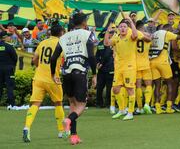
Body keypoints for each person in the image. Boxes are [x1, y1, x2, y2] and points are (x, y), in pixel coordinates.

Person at [50, 12, 97, 145]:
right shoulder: (87, 34)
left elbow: (54, 58)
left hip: (66, 73)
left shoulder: (64, 37)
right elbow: (91, 56)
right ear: (84, 23)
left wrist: (53, 74)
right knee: (81, 105)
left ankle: (74, 136)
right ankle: (68, 120)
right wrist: (94, 74)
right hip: (80, 72)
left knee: (72, 104)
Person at [23, 23, 65, 142]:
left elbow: (34, 59)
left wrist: (39, 67)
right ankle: (61, 131)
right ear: (61, 33)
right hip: (53, 79)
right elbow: (64, 59)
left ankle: (27, 127)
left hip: (38, 78)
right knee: (58, 103)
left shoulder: (42, 43)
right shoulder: (61, 43)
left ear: (50, 33)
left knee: (35, 104)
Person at [105, 16, 142, 121]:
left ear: (128, 28)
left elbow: (135, 35)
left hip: (129, 66)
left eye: (125, 27)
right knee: (116, 89)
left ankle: (130, 113)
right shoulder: (116, 37)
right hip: (119, 67)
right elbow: (107, 43)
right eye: (120, 27)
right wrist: (108, 32)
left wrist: (130, 21)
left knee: (130, 89)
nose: (122, 28)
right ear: (118, 28)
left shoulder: (131, 35)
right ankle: (122, 110)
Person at [149, 24, 178, 114]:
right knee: (170, 83)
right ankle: (169, 107)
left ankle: (157, 108)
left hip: (152, 62)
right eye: (171, 29)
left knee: (157, 85)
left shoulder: (154, 34)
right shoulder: (166, 33)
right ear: (168, 29)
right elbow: (179, 37)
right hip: (163, 62)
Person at [134, 21, 153, 114]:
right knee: (149, 84)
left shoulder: (133, 35)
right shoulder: (148, 36)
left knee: (138, 86)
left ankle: (139, 107)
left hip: (136, 64)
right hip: (146, 63)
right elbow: (150, 39)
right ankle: (147, 104)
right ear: (142, 28)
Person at [95, 31, 115, 108]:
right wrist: (98, 63)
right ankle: (104, 103)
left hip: (106, 68)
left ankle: (103, 103)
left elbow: (101, 55)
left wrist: (99, 63)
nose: (112, 34)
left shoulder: (105, 43)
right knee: (103, 86)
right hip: (106, 68)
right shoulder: (105, 44)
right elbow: (99, 55)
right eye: (110, 33)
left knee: (105, 87)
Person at [0, 31, 17, 109]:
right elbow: (15, 58)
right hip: (8, 69)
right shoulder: (9, 46)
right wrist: (12, 66)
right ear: (4, 38)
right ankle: (12, 105)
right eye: (8, 36)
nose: (9, 38)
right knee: (9, 87)